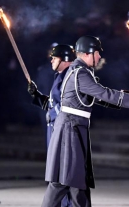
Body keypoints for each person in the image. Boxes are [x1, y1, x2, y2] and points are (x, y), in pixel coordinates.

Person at [41, 35, 129, 207]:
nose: (100, 57)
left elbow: (100, 97)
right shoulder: (80, 73)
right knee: (63, 180)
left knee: (78, 178)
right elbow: (104, 93)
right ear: (88, 53)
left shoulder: (80, 71)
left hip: (74, 127)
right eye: (98, 53)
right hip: (71, 129)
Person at [28, 44, 76, 207]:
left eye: (54, 58)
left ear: (64, 59)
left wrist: (53, 113)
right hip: (54, 128)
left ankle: (66, 204)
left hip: (64, 129)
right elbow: (52, 102)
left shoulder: (71, 76)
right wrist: (37, 95)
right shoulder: (59, 76)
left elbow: (67, 103)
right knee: (56, 169)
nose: (51, 60)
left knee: (63, 170)